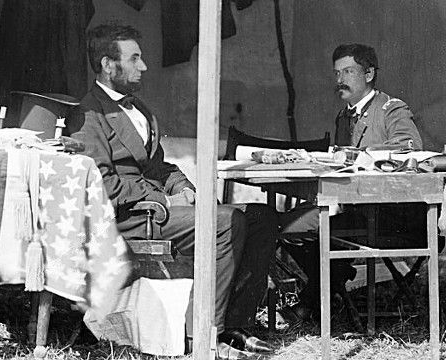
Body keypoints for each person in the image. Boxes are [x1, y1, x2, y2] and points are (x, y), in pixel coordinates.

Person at [68, 24, 277, 360]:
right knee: (227, 223)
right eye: (134, 58)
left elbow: (159, 167)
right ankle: (205, 335)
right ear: (109, 65)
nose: (144, 66)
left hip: (158, 209)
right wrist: (164, 199)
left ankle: (237, 325)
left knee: (262, 218)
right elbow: (101, 184)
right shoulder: (89, 113)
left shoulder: (143, 111)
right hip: (129, 218)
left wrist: (185, 188)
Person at [279, 43, 427, 324]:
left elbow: (409, 148)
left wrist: (355, 156)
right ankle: (334, 281)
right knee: (286, 227)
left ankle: (315, 298)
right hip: (362, 212)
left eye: (348, 71)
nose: (340, 80)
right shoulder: (344, 117)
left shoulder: (391, 109)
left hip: (396, 216)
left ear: (369, 73)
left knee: (300, 229)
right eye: (336, 73)